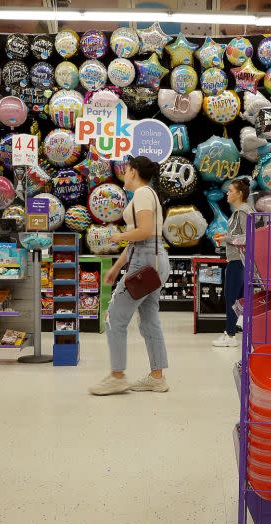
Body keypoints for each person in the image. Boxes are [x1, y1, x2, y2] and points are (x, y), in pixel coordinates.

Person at [89, 155, 171, 396]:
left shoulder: (143, 194)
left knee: (115, 317)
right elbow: (145, 237)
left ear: (133, 171)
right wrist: (116, 268)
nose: (123, 173)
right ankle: (157, 377)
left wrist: (118, 236)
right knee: (149, 319)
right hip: (153, 259)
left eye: (125, 169)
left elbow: (143, 232)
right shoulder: (148, 194)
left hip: (145, 260)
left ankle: (117, 376)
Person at [212, 178, 253, 348]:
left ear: (239, 194)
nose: (227, 193)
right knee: (239, 298)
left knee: (231, 297)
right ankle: (235, 332)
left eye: (230, 191)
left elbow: (247, 237)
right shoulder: (242, 211)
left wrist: (226, 238)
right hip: (240, 260)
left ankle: (230, 335)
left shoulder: (242, 212)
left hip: (238, 260)